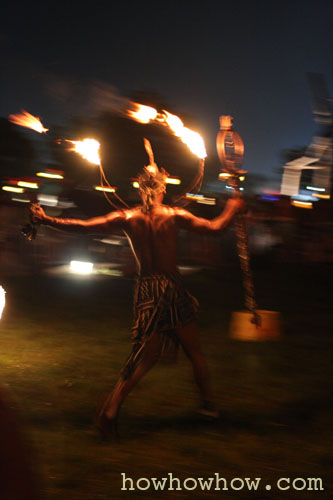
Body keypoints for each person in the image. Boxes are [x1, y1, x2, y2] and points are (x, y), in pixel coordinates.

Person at [29, 164, 244, 438]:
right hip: (172, 287)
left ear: (141, 190)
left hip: (147, 290)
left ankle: (114, 409)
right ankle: (208, 408)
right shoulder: (174, 214)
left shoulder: (127, 216)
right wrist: (233, 208)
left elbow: (83, 227)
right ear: (162, 189)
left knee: (145, 356)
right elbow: (215, 229)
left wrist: (48, 220)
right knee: (193, 352)